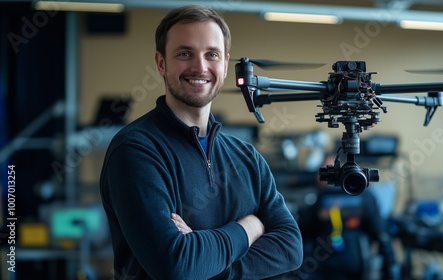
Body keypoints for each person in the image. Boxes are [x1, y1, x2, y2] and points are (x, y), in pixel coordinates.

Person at [99, 5, 303, 280]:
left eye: (212, 55)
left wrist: (205, 264)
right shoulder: (136, 150)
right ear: (162, 63)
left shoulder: (247, 157)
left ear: (225, 63)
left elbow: (291, 248)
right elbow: (177, 266)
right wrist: (251, 228)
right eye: (185, 54)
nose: (200, 67)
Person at [296, 154, 399, 280]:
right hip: (334, 265)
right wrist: (390, 269)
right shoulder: (364, 197)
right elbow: (381, 234)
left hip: (330, 265)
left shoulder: (322, 198)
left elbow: (381, 234)